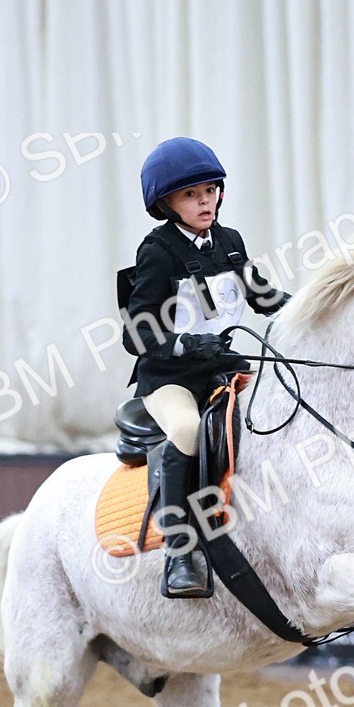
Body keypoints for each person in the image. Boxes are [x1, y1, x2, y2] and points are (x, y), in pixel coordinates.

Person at [122, 136, 289, 598]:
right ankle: (180, 550)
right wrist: (185, 344)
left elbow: (265, 298)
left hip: (225, 370)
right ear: (167, 203)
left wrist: (318, 311)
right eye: (191, 195)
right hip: (172, 380)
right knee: (187, 430)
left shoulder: (230, 242)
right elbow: (135, 336)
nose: (205, 201)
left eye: (210, 190)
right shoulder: (157, 252)